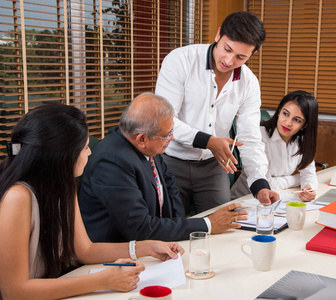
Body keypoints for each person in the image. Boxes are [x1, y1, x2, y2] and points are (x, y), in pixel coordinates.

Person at [0, 104, 185, 299]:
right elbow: (14, 292)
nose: (90, 153)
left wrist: (147, 248)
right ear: (62, 156)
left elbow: (85, 250)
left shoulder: (63, 186)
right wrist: (102, 281)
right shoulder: (17, 197)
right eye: (85, 147)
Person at [78, 93, 247, 243]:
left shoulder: (145, 143)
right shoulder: (111, 162)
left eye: (171, 130)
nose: (172, 138)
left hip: (152, 243)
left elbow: (169, 185)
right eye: (167, 135)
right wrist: (208, 224)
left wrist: (179, 229)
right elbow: (140, 228)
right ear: (142, 139)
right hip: (115, 254)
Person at [155, 11, 279, 215]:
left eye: (241, 57)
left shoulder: (249, 83)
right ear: (218, 34)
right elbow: (164, 120)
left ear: (252, 54)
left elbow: (250, 138)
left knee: (223, 225)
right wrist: (209, 141)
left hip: (214, 165)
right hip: (171, 159)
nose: (229, 61)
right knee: (172, 227)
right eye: (227, 49)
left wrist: (259, 184)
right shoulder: (181, 60)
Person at [231, 90, 319, 202]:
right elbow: (267, 183)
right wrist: (297, 179)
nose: (287, 123)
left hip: (276, 200)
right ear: (279, 111)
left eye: (296, 120)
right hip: (245, 200)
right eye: (285, 114)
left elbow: (309, 174)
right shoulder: (259, 136)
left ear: (305, 125)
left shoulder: (301, 142)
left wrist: (309, 188)